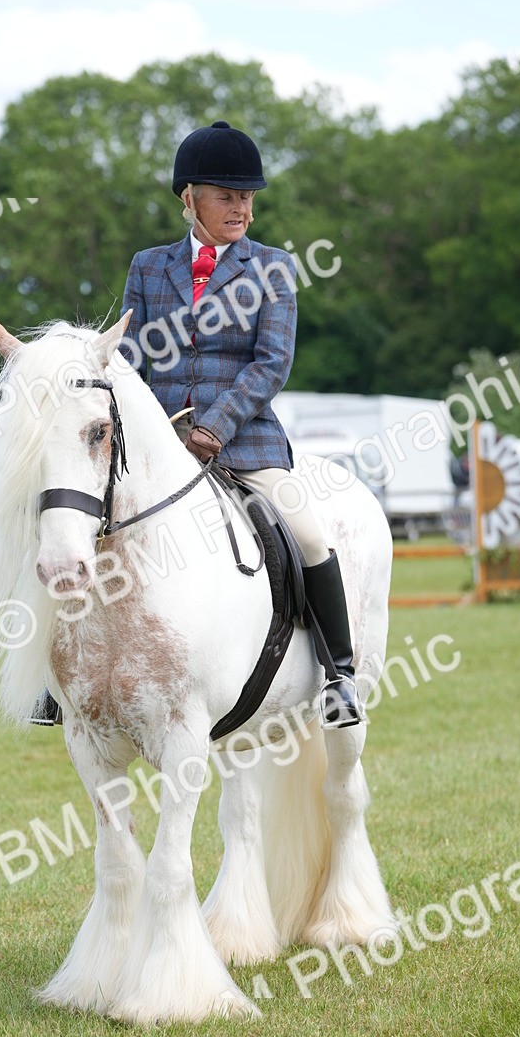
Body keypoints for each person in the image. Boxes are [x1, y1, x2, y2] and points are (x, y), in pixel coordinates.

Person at [118, 119, 364, 729]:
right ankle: (59, 685)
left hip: (246, 442)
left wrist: (215, 428)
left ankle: (340, 675)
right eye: (227, 196)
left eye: (248, 197)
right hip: (161, 445)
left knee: (309, 534)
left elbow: (271, 363)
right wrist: (154, 429)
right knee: (83, 529)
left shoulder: (273, 268)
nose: (242, 209)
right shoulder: (149, 268)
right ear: (189, 197)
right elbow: (128, 362)